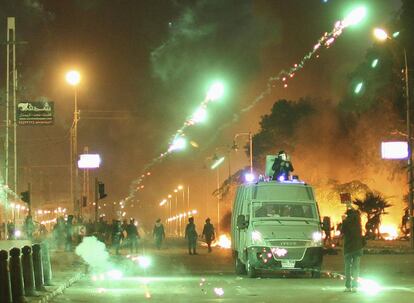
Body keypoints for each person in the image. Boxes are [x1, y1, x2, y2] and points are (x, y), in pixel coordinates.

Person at [341, 208, 365, 292]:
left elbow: (342, 231)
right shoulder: (359, 222)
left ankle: (348, 286)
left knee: (348, 267)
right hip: (358, 248)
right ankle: (355, 286)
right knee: (356, 268)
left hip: (348, 248)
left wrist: (343, 220)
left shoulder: (347, 222)